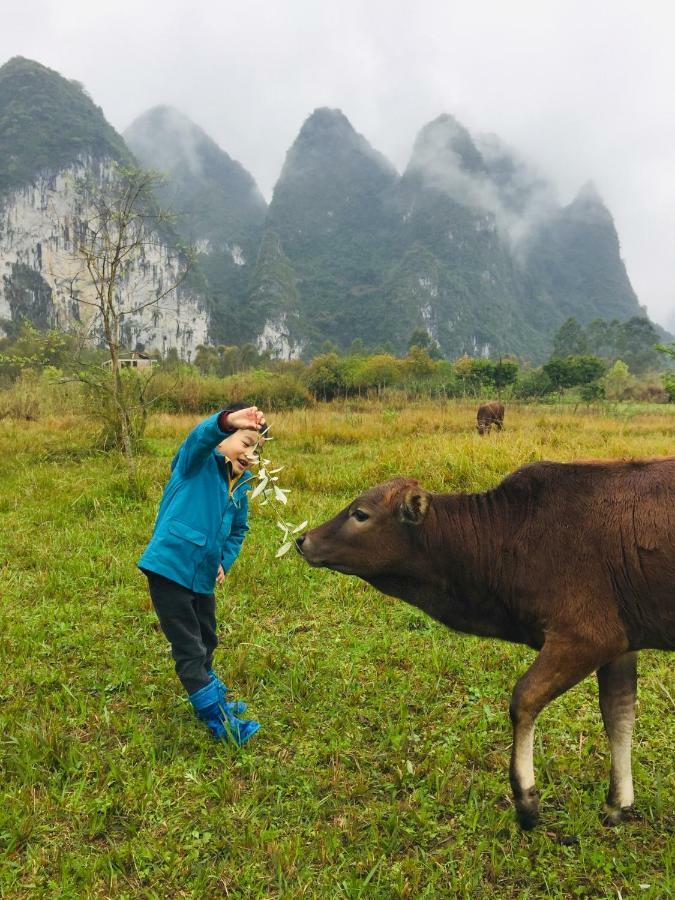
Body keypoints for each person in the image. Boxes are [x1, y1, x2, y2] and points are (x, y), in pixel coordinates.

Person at [138, 404, 266, 745]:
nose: (250, 453)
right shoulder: (194, 464)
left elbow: (239, 529)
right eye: (246, 442)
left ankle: (208, 693)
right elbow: (200, 437)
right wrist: (226, 422)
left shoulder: (241, 488)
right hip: (169, 568)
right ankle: (216, 717)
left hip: (203, 576)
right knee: (190, 649)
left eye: (256, 449)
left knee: (208, 637)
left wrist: (224, 559)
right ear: (224, 439)